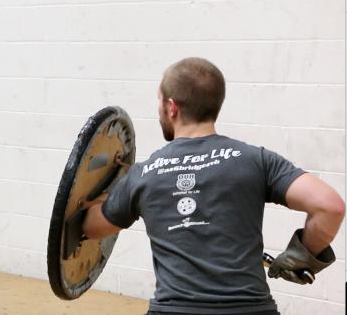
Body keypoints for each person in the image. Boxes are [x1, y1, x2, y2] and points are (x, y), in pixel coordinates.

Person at [82, 57, 344, 314]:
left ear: (172, 107)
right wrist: (303, 254)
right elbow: (329, 207)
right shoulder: (255, 160)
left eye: (160, 102)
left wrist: (106, 192)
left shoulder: (143, 174)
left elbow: (91, 228)